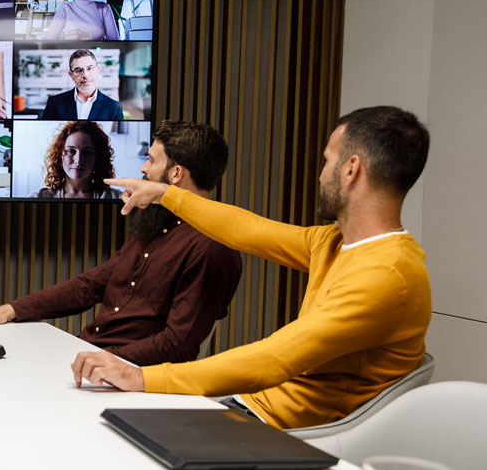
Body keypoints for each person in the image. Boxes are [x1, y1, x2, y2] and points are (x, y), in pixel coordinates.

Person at [76, 106, 432, 430]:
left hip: (291, 433)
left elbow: (273, 359)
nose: (321, 175)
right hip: (252, 409)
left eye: (327, 161)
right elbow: (248, 230)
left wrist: (141, 378)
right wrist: (163, 194)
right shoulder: (334, 242)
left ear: (351, 170)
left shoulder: (387, 274)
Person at [0, 121, 242, 366]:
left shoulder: (212, 247)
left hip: (126, 378)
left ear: (175, 174)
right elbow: (90, 285)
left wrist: (98, 361)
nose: (143, 169)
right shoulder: (153, 221)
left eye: (151, 160)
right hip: (92, 358)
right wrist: (12, 310)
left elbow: (177, 345)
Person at [29, 121, 124, 200]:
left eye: (87, 152)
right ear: (59, 155)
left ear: (98, 157)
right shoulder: (38, 197)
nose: (78, 161)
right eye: (71, 151)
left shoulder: (118, 198)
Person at [39, 49, 124, 121]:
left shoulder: (114, 108)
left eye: (90, 68)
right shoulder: (54, 103)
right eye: (79, 70)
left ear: (97, 70)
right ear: (71, 75)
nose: (85, 75)